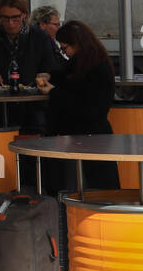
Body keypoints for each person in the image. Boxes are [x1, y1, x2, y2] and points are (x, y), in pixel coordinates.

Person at [36, 20, 120, 192]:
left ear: (77, 44)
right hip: (86, 138)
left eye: (65, 47)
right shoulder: (84, 61)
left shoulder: (97, 68)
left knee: (87, 190)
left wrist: (53, 92)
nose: (65, 53)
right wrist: (49, 75)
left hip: (90, 139)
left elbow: (89, 108)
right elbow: (63, 73)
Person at [0, 0, 60, 132]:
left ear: (24, 15)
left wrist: (44, 77)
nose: (10, 23)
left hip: (33, 112)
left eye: (15, 18)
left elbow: (51, 70)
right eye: (5, 18)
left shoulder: (39, 37)